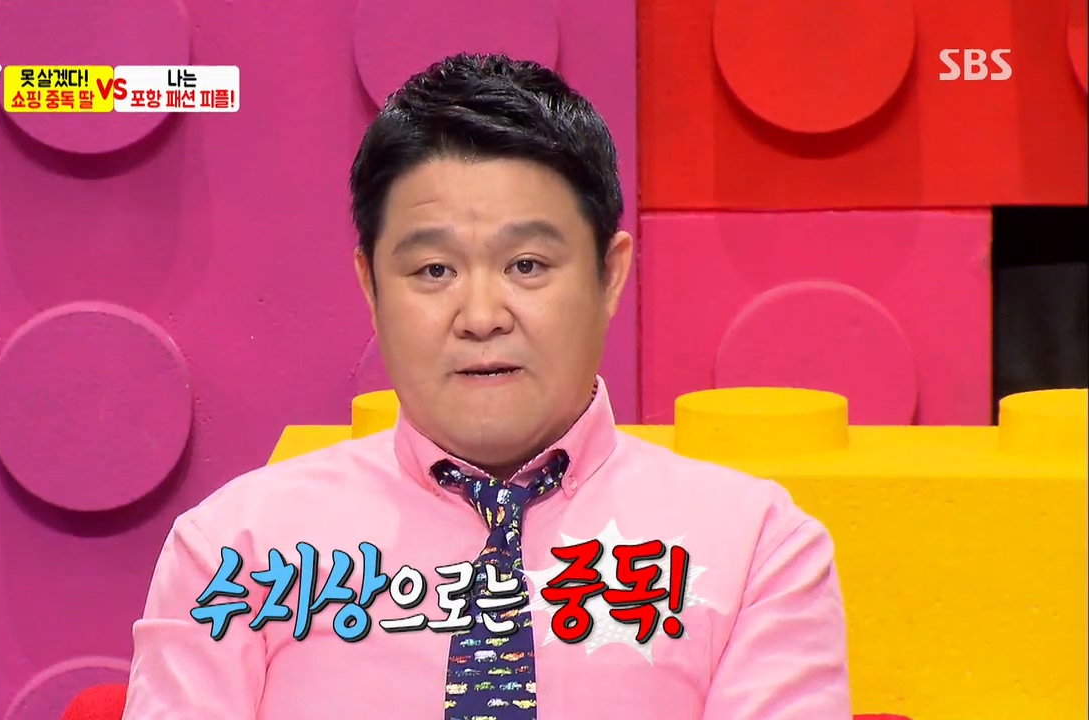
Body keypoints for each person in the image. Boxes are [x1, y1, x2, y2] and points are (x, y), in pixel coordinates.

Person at [122, 53, 851, 719]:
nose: (480, 316)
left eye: (526, 266)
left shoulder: (758, 548)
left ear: (610, 274)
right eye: (434, 270)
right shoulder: (238, 552)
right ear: (371, 287)